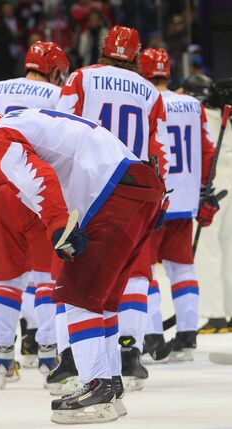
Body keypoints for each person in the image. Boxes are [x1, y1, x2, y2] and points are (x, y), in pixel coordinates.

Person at [0, 105, 165, 424]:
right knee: (104, 301)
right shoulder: (28, 117)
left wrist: (58, 226)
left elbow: (37, 177)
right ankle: (110, 384)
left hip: (112, 194)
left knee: (76, 297)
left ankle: (95, 388)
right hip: (142, 186)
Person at [56, 25, 169, 390]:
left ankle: (72, 359)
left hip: (90, 189)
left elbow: (61, 130)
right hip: (135, 190)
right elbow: (157, 154)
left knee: (75, 279)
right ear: (136, 56)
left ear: (103, 49)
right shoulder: (150, 91)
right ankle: (129, 353)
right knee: (132, 275)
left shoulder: (81, 78)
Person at [0, 41, 70, 382]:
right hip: (35, 190)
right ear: (54, 70)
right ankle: (48, 355)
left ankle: (2, 359)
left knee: (5, 283)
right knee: (47, 280)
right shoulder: (55, 94)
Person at [139, 49, 216, 362]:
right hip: (184, 200)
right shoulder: (192, 105)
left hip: (154, 199)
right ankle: (187, 335)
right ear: (168, 73)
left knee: (144, 270)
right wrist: (204, 191)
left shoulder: (142, 101)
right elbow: (207, 152)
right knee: (182, 268)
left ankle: (153, 335)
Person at [187, 75, 232, 333]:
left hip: (212, 182)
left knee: (208, 247)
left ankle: (215, 314)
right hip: (231, 178)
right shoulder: (223, 114)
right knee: (229, 246)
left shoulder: (197, 114)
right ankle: (229, 310)